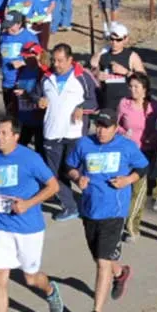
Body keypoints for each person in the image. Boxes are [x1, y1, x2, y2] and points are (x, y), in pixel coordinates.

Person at [0, 117, 64, 312]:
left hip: (28, 228)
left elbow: (53, 186)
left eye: (5, 133)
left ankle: (50, 290)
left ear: (16, 136)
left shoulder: (30, 158)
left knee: (30, 278)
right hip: (1, 225)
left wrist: (28, 203)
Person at [65, 109, 148, 312]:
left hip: (114, 211)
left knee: (102, 262)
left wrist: (127, 180)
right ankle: (121, 273)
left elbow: (143, 166)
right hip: (90, 210)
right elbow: (70, 167)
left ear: (115, 128)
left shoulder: (126, 146)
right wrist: (78, 177)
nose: (101, 130)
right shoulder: (84, 144)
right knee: (100, 257)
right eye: (98, 125)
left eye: (106, 126)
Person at [37, 44, 101, 221]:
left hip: (74, 133)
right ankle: (70, 207)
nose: (56, 64)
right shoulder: (46, 78)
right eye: (54, 60)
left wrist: (82, 108)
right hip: (51, 133)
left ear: (70, 60)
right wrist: (39, 100)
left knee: (75, 171)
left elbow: (94, 103)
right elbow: (35, 94)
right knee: (53, 174)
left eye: (60, 61)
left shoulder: (82, 77)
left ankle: (96, 200)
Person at [116, 73, 157, 239]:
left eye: (136, 87)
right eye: (130, 86)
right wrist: (124, 132)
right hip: (127, 152)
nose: (132, 90)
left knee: (137, 190)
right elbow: (115, 126)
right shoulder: (124, 104)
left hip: (146, 152)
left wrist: (156, 135)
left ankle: (132, 228)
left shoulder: (154, 106)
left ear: (145, 90)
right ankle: (156, 188)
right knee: (134, 186)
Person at [90, 22, 146, 110]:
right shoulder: (103, 54)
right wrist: (97, 74)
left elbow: (144, 79)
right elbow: (91, 70)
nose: (114, 42)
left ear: (125, 39)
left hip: (127, 104)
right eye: (111, 39)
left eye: (118, 40)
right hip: (107, 104)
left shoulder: (131, 56)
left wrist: (126, 72)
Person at [0, 12, 40, 116]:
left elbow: (39, 58)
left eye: (11, 26)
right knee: (10, 114)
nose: (8, 29)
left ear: (19, 24)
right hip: (7, 83)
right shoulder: (3, 37)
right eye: (6, 26)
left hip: (23, 84)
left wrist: (22, 62)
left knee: (24, 116)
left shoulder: (29, 37)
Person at [13, 43, 49, 155]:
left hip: (38, 118)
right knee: (19, 148)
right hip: (23, 116)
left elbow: (45, 96)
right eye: (23, 55)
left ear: (37, 55)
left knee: (40, 150)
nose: (24, 58)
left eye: (27, 56)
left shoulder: (44, 73)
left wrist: (25, 94)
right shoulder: (22, 70)